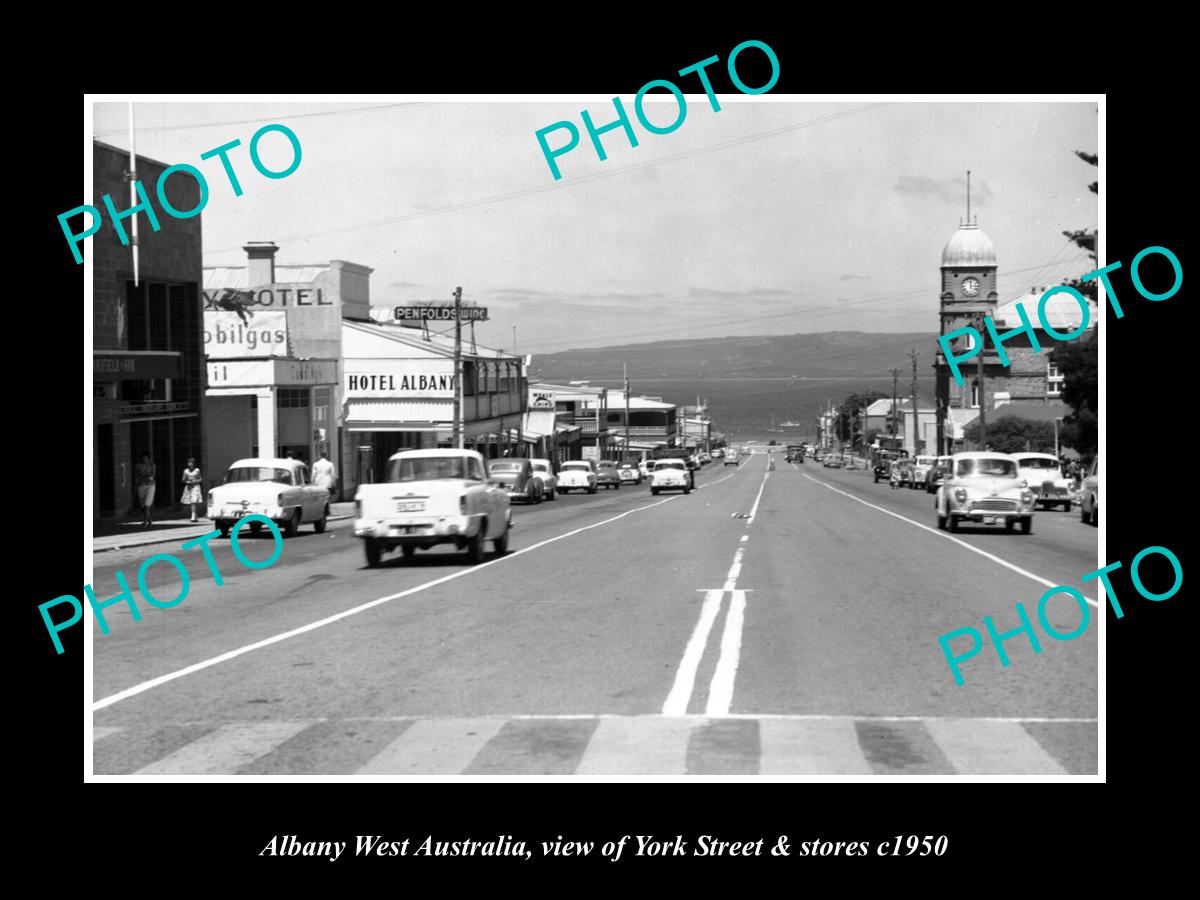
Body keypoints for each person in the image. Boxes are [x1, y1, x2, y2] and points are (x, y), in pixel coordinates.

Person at [134, 453, 157, 528]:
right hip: (141, 487)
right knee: (144, 506)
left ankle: (145, 522)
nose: (144, 459)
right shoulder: (138, 466)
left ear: (149, 458)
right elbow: (136, 476)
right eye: (143, 458)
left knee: (147, 505)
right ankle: (149, 520)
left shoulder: (152, 466)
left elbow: (151, 476)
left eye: (146, 458)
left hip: (150, 486)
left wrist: (141, 477)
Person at [180, 457, 203, 522]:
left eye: (191, 463)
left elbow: (200, 479)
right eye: (189, 463)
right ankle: (195, 515)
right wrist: (187, 482)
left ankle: (193, 515)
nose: (190, 464)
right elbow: (183, 480)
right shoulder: (185, 471)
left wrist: (194, 481)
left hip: (195, 486)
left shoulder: (197, 470)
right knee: (191, 501)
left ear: (194, 464)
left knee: (194, 501)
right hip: (189, 487)